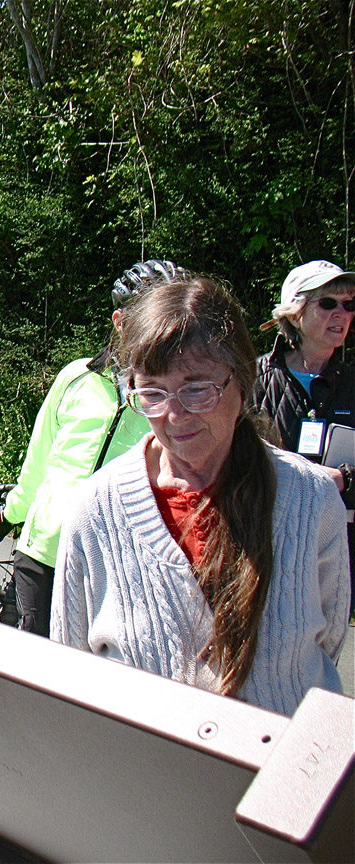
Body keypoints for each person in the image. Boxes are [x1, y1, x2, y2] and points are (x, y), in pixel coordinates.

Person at [52, 275, 349, 716]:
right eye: (152, 392)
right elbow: (70, 669)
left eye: (196, 388)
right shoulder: (96, 511)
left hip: (282, 771)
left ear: (242, 382)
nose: (174, 414)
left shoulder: (310, 500)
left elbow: (327, 641)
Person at [0, 261, 185, 636]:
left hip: (120, 560)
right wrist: (10, 514)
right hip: (46, 551)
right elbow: (39, 461)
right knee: (34, 670)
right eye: (151, 317)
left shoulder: (177, 396)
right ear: (120, 322)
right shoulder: (78, 377)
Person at [254, 260, 355, 613]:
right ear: (295, 312)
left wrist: (345, 479)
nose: (341, 313)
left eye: (349, 304)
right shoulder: (253, 378)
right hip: (266, 545)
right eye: (327, 303)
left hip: (336, 552)